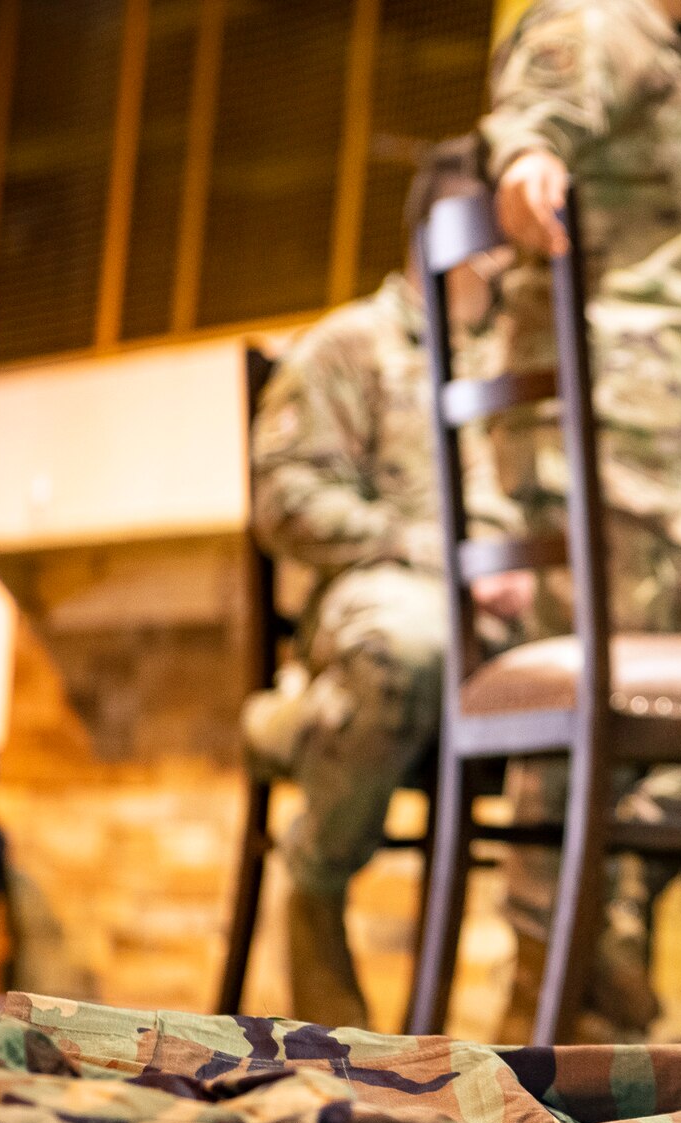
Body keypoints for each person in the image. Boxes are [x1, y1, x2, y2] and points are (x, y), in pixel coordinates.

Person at [481, 0, 681, 1039]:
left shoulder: (661, 51)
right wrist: (527, 169)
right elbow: (531, 126)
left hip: (663, 424)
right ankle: (560, 980)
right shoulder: (595, 21)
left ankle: (607, 912)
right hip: (606, 424)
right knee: (592, 702)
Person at [245, 140, 530, 1030]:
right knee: (405, 648)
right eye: (504, 237)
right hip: (391, 591)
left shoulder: (519, 352)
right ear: (457, 238)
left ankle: (557, 1024)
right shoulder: (349, 345)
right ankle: (317, 877)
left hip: (521, 622)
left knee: (623, 686)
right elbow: (286, 498)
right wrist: (444, 557)